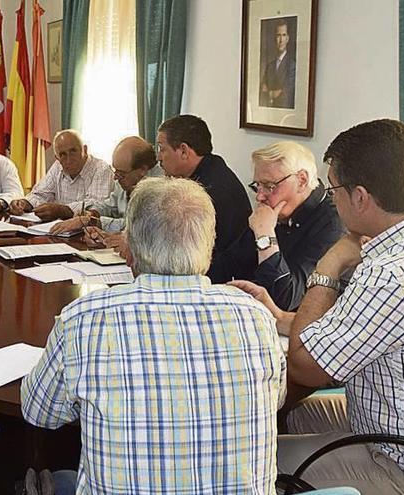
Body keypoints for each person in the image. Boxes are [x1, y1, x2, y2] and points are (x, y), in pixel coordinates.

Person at [232, 119, 404, 493]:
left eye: (334, 189)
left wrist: (329, 267)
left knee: (250, 457)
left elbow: (304, 364)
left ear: (360, 196)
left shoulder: (393, 272)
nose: (331, 198)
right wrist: (281, 318)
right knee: (283, 417)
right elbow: (360, 332)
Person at [22, 177, 286, 494]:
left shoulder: (85, 318)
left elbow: (38, 411)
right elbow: (276, 397)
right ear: (209, 247)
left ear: (129, 248)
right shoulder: (255, 315)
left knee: (49, 479)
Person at [245, 141, 344, 310]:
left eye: (269, 186)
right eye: (257, 186)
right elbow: (232, 264)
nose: (260, 197)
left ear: (302, 180)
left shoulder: (333, 224)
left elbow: (287, 299)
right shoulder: (276, 211)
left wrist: (265, 236)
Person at [156, 114, 253, 282]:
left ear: (184, 151)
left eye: (162, 148)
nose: (158, 157)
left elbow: (177, 246)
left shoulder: (206, 190)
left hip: (217, 278)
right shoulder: (211, 170)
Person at [49, 135, 163, 246]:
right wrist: (92, 213)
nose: (115, 178)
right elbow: (111, 206)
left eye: (121, 174)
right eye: (116, 171)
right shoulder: (126, 179)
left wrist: (92, 221)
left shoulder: (160, 187)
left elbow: (139, 226)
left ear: (143, 169)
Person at [8, 130, 113, 221]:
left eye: (73, 151)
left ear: (84, 150)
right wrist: (24, 203)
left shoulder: (101, 169)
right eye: (62, 155)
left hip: (89, 234)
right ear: (57, 157)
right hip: (59, 231)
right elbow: (41, 194)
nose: (69, 159)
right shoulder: (58, 166)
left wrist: (62, 210)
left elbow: (98, 207)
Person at [260, 20, 296, 109]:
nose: (281, 40)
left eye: (283, 35)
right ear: (275, 38)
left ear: (287, 38)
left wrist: (271, 92)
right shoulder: (270, 66)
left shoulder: (292, 65)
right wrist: (274, 93)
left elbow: (287, 94)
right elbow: (262, 91)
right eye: (278, 35)